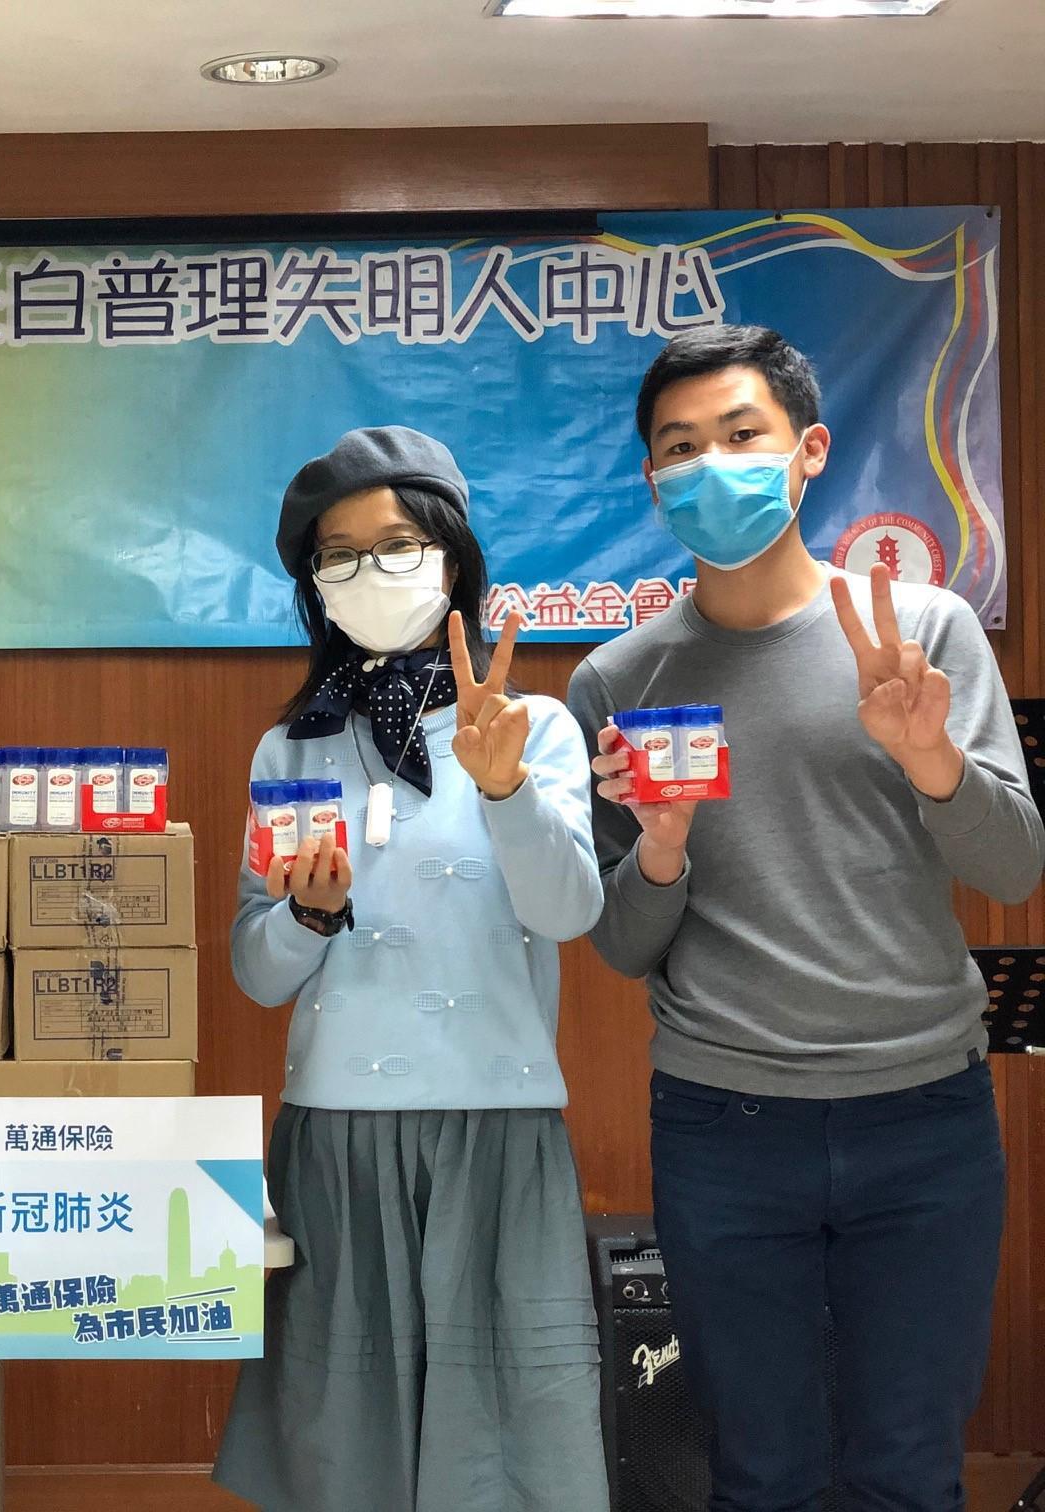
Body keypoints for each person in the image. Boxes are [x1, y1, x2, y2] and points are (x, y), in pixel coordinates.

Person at [567, 325, 1044, 1512]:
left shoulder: (922, 635)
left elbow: (1016, 867)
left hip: (924, 1118)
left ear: (808, 450)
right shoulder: (618, 684)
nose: (709, 465)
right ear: (652, 480)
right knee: (760, 1476)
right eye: (680, 448)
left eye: (741, 435)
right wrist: (665, 851)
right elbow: (621, 942)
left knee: (909, 1475)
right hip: (725, 1128)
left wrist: (930, 758)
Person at [213, 427, 608, 1512]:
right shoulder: (291, 746)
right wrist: (307, 913)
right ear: (312, 585)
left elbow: (570, 912)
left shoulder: (534, 726)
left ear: (451, 557)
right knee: (349, 1446)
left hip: (497, 1125)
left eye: (393, 545)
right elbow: (256, 971)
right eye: (336, 556)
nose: (367, 573)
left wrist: (504, 791)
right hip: (337, 1133)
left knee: (506, 1453)